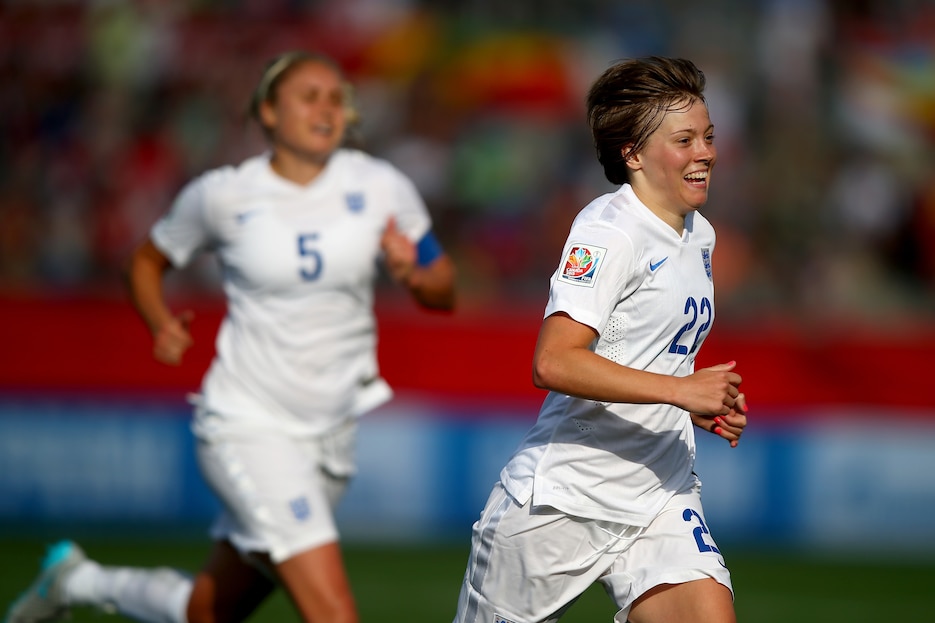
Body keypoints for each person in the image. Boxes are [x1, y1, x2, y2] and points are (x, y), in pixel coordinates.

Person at [6, 49, 455, 623]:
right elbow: (144, 263)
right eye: (308, 96)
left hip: (330, 437)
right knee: (334, 613)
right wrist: (160, 322)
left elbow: (444, 289)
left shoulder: (381, 184)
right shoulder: (221, 195)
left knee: (208, 611)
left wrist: (415, 273)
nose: (326, 108)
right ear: (268, 112)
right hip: (248, 423)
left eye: (335, 98)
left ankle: (76, 580)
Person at [452, 56, 748, 623]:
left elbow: (649, 351)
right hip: (563, 502)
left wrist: (700, 400)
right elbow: (553, 361)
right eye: (684, 139)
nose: (705, 152)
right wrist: (678, 392)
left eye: (708, 136)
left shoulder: (699, 233)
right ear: (632, 154)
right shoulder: (608, 233)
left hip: (661, 491)